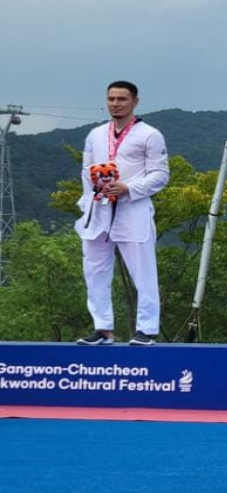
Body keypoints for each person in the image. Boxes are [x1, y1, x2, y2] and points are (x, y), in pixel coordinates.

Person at [74, 81, 170, 346]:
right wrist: (88, 201)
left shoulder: (150, 135)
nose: (116, 104)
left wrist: (129, 188)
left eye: (122, 99)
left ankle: (146, 330)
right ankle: (102, 328)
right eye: (111, 98)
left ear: (135, 102)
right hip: (99, 209)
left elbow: (161, 175)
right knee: (94, 270)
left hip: (132, 209)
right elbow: (86, 171)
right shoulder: (95, 135)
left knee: (143, 271)